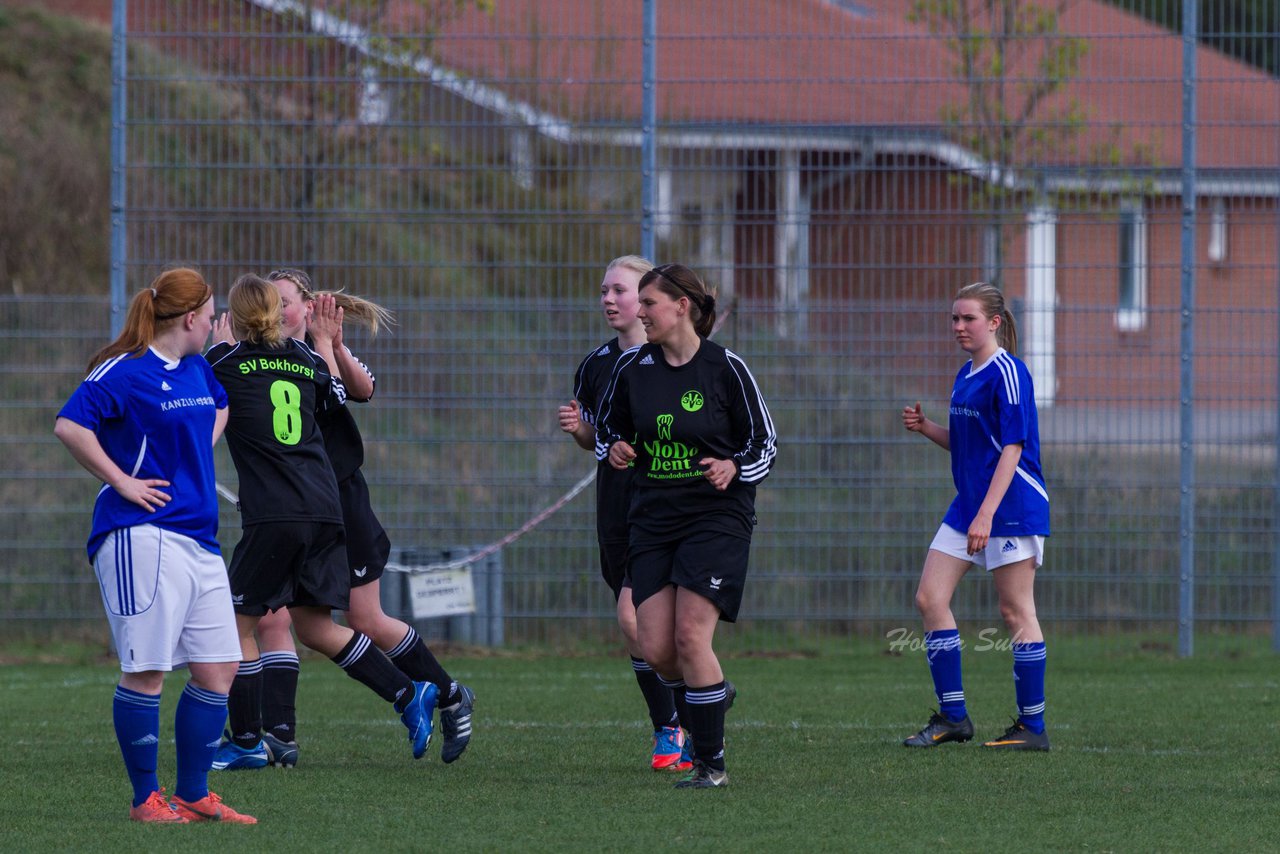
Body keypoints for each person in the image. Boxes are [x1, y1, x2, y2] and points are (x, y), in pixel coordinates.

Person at [215, 268, 472, 769]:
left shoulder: (242, 360)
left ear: (307, 309)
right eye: (278, 302)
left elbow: (360, 390)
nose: (285, 309)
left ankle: (248, 740)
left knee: (245, 624)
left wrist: (324, 345)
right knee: (309, 625)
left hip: (308, 505)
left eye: (291, 300)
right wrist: (319, 352)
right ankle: (396, 698)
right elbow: (331, 395)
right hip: (318, 508)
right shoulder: (303, 361)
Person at [54, 268, 256, 823]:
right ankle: (146, 799)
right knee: (147, 669)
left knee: (219, 668)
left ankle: (193, 792)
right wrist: (122, 481)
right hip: (140, 534)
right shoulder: (127, 370)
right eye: (212, 312)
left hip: (199, 538)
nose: (217, 321)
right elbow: (71, 425)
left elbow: (220, 406)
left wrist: (194, 447)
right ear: (190, 319)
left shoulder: (196, 367)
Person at [598, 263, 777, 789]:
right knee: (656, 649)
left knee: (690, 636)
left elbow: (764, 443)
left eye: (649, 303)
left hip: (716, 518)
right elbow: (610, 427)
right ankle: (712, 695)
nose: (641, 312)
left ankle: (710, 766)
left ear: (682, 308)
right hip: (653, 519)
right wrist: (617, 447)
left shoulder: (727, 369)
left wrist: (734, 467)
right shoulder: (633, 370)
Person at [900, 281, 1051, 751]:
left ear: (994, 322)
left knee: (1015, 611)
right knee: (930, 598)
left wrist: (986, 513)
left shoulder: (1009, 372)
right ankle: (954, 717)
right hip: (970, 505)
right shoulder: (967, 373)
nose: (959, 326)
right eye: (954, 318)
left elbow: (1013, 447)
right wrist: (927, 429)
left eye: (968, 318)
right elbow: (969, 445)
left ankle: (1033, 728)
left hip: (1009, 506)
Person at [559, 255, 693, 772]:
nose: (608, 299)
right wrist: (579, 430)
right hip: (613, 506)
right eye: (603, 290)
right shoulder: (594, 365)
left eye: (620, 290)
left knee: (635, 618)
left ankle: (675, 725)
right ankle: (696, 706)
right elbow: (599, 442)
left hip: (659, 505)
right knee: (642, 629)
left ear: (649, 298)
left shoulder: (675, 363)